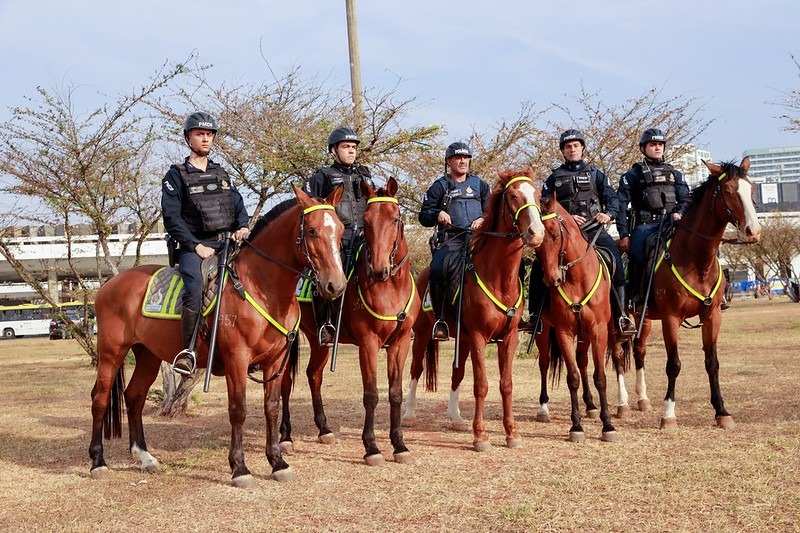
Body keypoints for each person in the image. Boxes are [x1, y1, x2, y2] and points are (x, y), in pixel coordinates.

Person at [521, 129, 635, 337]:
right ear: (563, 151)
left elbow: (613, 200)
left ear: (582, 148)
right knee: (540, 265)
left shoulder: (596, 174)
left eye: (575, 146)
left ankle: (621, 316)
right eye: (567, 147)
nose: (572, 149)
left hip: (594, 230)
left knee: (615, 260)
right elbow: (543, 205)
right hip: (564, 234)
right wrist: (568, 218)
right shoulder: (554, 178)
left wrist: (607, 214)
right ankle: (535, 317)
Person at [162, 112, 251, 376]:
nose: (205, 139)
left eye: (209, 135)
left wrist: (243, 226)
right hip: (195, 247)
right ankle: (188, 351)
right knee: (195, 287)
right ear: (188, 137)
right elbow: (171, 217)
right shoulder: (175, 175)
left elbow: (237, 205)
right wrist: (194, 246)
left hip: (227, 245)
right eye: (200, 134)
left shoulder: (220, 172)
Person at [303, 126, 375, 345]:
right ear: (333, 150)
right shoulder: (323, 176)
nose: (351, 151)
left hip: (364, 236)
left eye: (353, 147)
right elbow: (309, 208)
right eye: (346, 147)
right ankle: (326, 324)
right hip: (336, 240)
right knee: (329, 276)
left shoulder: (365, 174)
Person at [418, 142, 490, 341]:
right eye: (458, 158)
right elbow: (423, 216)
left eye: (466, 158)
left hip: (478, 239)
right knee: (438, 269)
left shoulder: (480, 185)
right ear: (449, 161)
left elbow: (491, 210)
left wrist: (483, 219)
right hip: (452, 240)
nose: (462, 161)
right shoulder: (439, 186)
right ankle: (440, 319)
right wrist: (438, 213)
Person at [617, 127, 691, 302]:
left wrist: (680, 213)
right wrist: (624, 234)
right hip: (645, 227)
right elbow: (620, 205)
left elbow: (687, 199)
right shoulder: (632, 175)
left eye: (660, 145)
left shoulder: (675, 174)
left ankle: (718, 291)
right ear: (643, 148)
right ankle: (637, 295)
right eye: (653, 144)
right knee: (637, 254)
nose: (657, 148)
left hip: (672, 223)